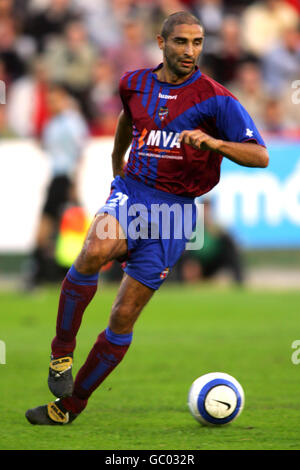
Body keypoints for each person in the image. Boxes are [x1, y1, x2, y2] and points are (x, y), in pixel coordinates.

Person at [25, 11, 269, 425]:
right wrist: (117, 159)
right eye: (181, 42)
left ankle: (70, 407)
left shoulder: (217, 99)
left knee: (122, 317)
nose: (190, 51)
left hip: (175, 213)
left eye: (197, 42)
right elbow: (128, 117)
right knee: (93, 250)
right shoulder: (133, 83)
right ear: (161, 42)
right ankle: (61, 352)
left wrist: (214, 143)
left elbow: (260, 155)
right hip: (133, 192)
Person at [25, 82, 89, 289]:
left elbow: (78, 153)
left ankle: (38, 274)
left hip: (64, 178)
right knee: (55, 227)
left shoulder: (71, 122)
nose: (52, 104)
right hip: (57, 177)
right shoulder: (55, 123)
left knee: (51, 226)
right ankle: (48, 273)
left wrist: (74, 183)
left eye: (55, 99)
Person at [179, 199, 244, 285]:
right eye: (204, 208)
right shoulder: (193, 224)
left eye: (208, 208)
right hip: (196, 261)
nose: (206, 211)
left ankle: (238, 280)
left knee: (229, 245)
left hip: (212, 261)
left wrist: (214, 230)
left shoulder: (216, 225)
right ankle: (179, 280)